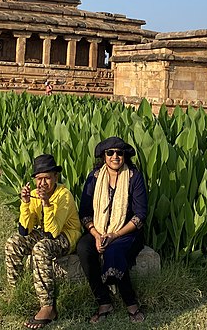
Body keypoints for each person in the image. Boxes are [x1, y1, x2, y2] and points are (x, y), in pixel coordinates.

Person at [5, 154, 82, 329]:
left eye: (47, 178)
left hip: (66, 236)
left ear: (56, 177)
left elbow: (52, 233)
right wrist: (25, 203)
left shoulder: (64, 195)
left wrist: (46, 204)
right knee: (13, 242)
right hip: (46, 232)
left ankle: (47, 306)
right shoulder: (34, 194)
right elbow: (24, 230)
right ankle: (15, 289)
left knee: (40, 249)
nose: (42, 183)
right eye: (39, 179)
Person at [77, 137, 148, 324]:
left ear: (125, 156)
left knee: (114, 251)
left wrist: (114, 235)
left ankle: (131, 304)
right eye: (110, 153)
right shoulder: (94, 177)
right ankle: (103, 301)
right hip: (98, 230)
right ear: (103, 156)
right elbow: (84, 212)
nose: (115, 156)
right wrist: (97, 235)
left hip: (127, 232)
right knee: (84, 248)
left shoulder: (134, 177)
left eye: (119, 153)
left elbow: (140, 215)